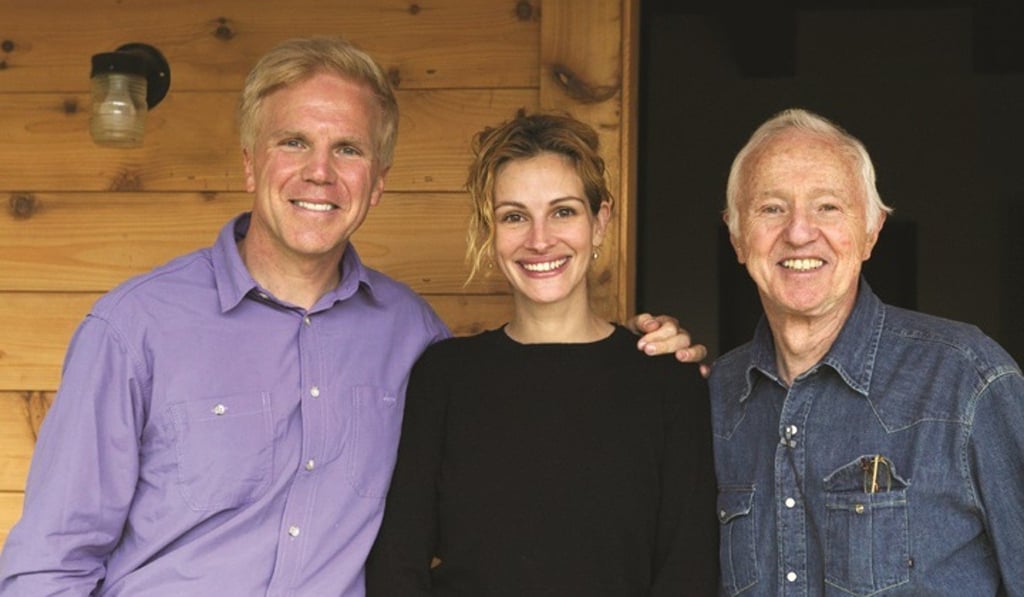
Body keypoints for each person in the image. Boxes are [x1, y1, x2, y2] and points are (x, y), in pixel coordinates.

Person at [0, 38, 701, 596]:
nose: (320, 173)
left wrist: (662, 349)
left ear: (378, 181)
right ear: (250, 163)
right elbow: (48, 565)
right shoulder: (133, 329)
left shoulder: (413, 339)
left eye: (348, 149)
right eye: (294, 142)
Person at [366, 112, 719, 596]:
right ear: (491, 233)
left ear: (600, 221)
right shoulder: (444, 377)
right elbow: (397, 564)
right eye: (514, 216)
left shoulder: (666, 381)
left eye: (563, 211)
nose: (539, 239)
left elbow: (688, 572)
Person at [710, 107, 1024, 596]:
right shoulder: (710, 401)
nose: (798, 231)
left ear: (872, 232)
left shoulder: (968, 382)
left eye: (828, 207)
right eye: (771, 207)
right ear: (736, 236)